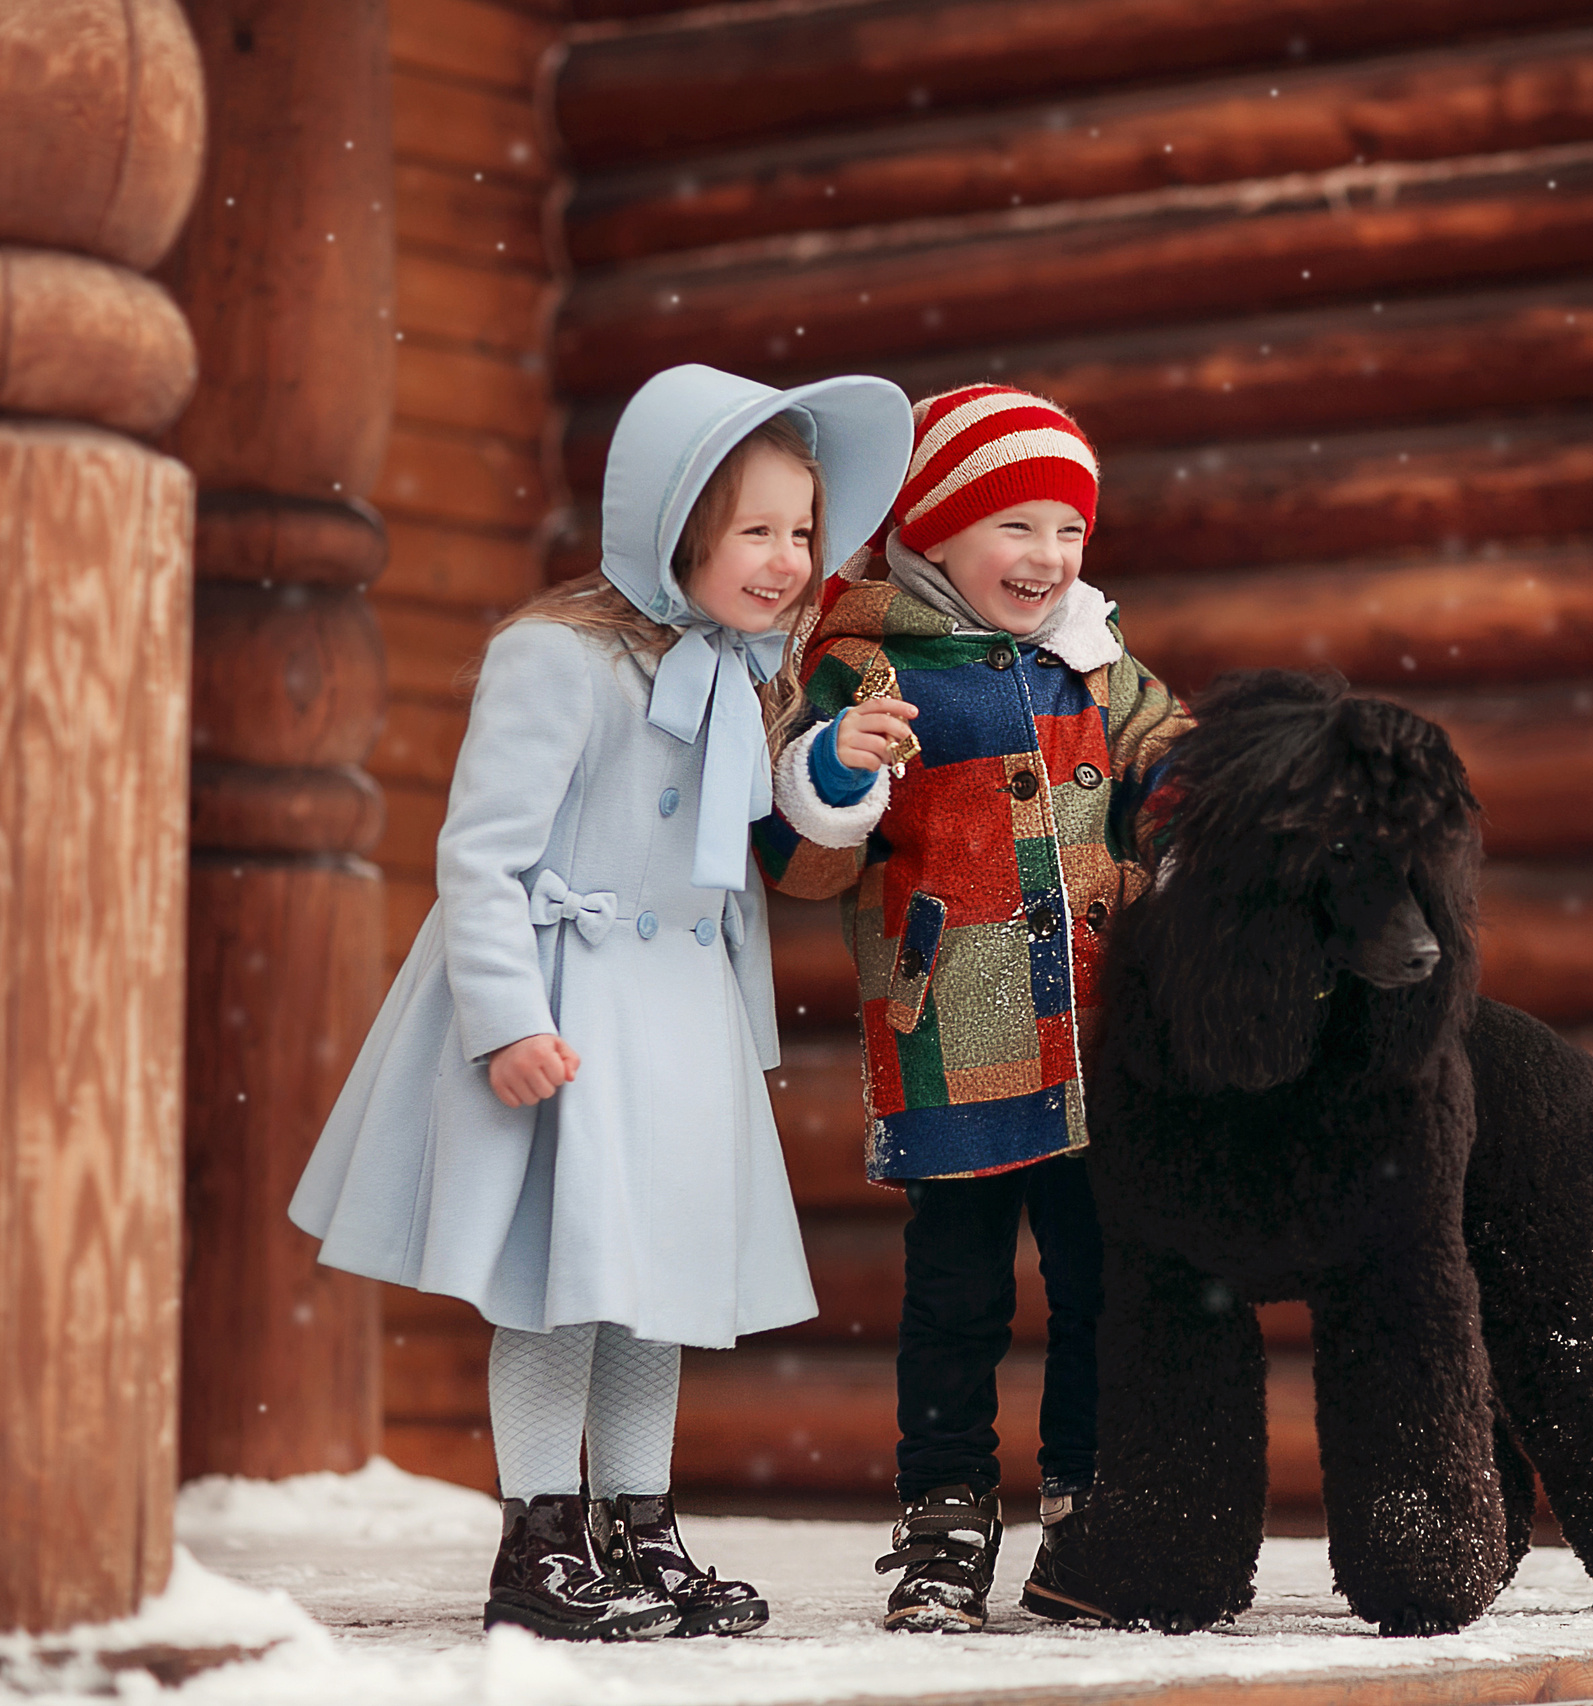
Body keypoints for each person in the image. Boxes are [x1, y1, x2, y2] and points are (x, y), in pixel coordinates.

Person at [290, 363, 913, 1641]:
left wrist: (833, 763)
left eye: (802, 530)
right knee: (561, 1279)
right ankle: (540, 1534)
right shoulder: (555, 657)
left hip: (679, 1010)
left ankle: (641, 1521)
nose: (788, 558)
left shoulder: (742, 670)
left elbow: (765, 809)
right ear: (674, 522)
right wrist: (507, 1020)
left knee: (658, 1283)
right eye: (755, 530)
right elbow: (481, 855)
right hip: (574, 999)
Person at [756, 385, 1190, 1632]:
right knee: (957, 1294)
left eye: (1069, 530)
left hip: (1099, 1041)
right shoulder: (862, 658)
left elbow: (1170, 758)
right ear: (936, 530)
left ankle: (1086, 1506)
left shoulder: (1093, 655)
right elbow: (804, 857)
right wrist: (836, 768)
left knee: (1097, 1279)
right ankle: (944, 1516)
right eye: (1017, 528)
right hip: (955, 1028)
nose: (1049, 559)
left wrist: (1186, 807)